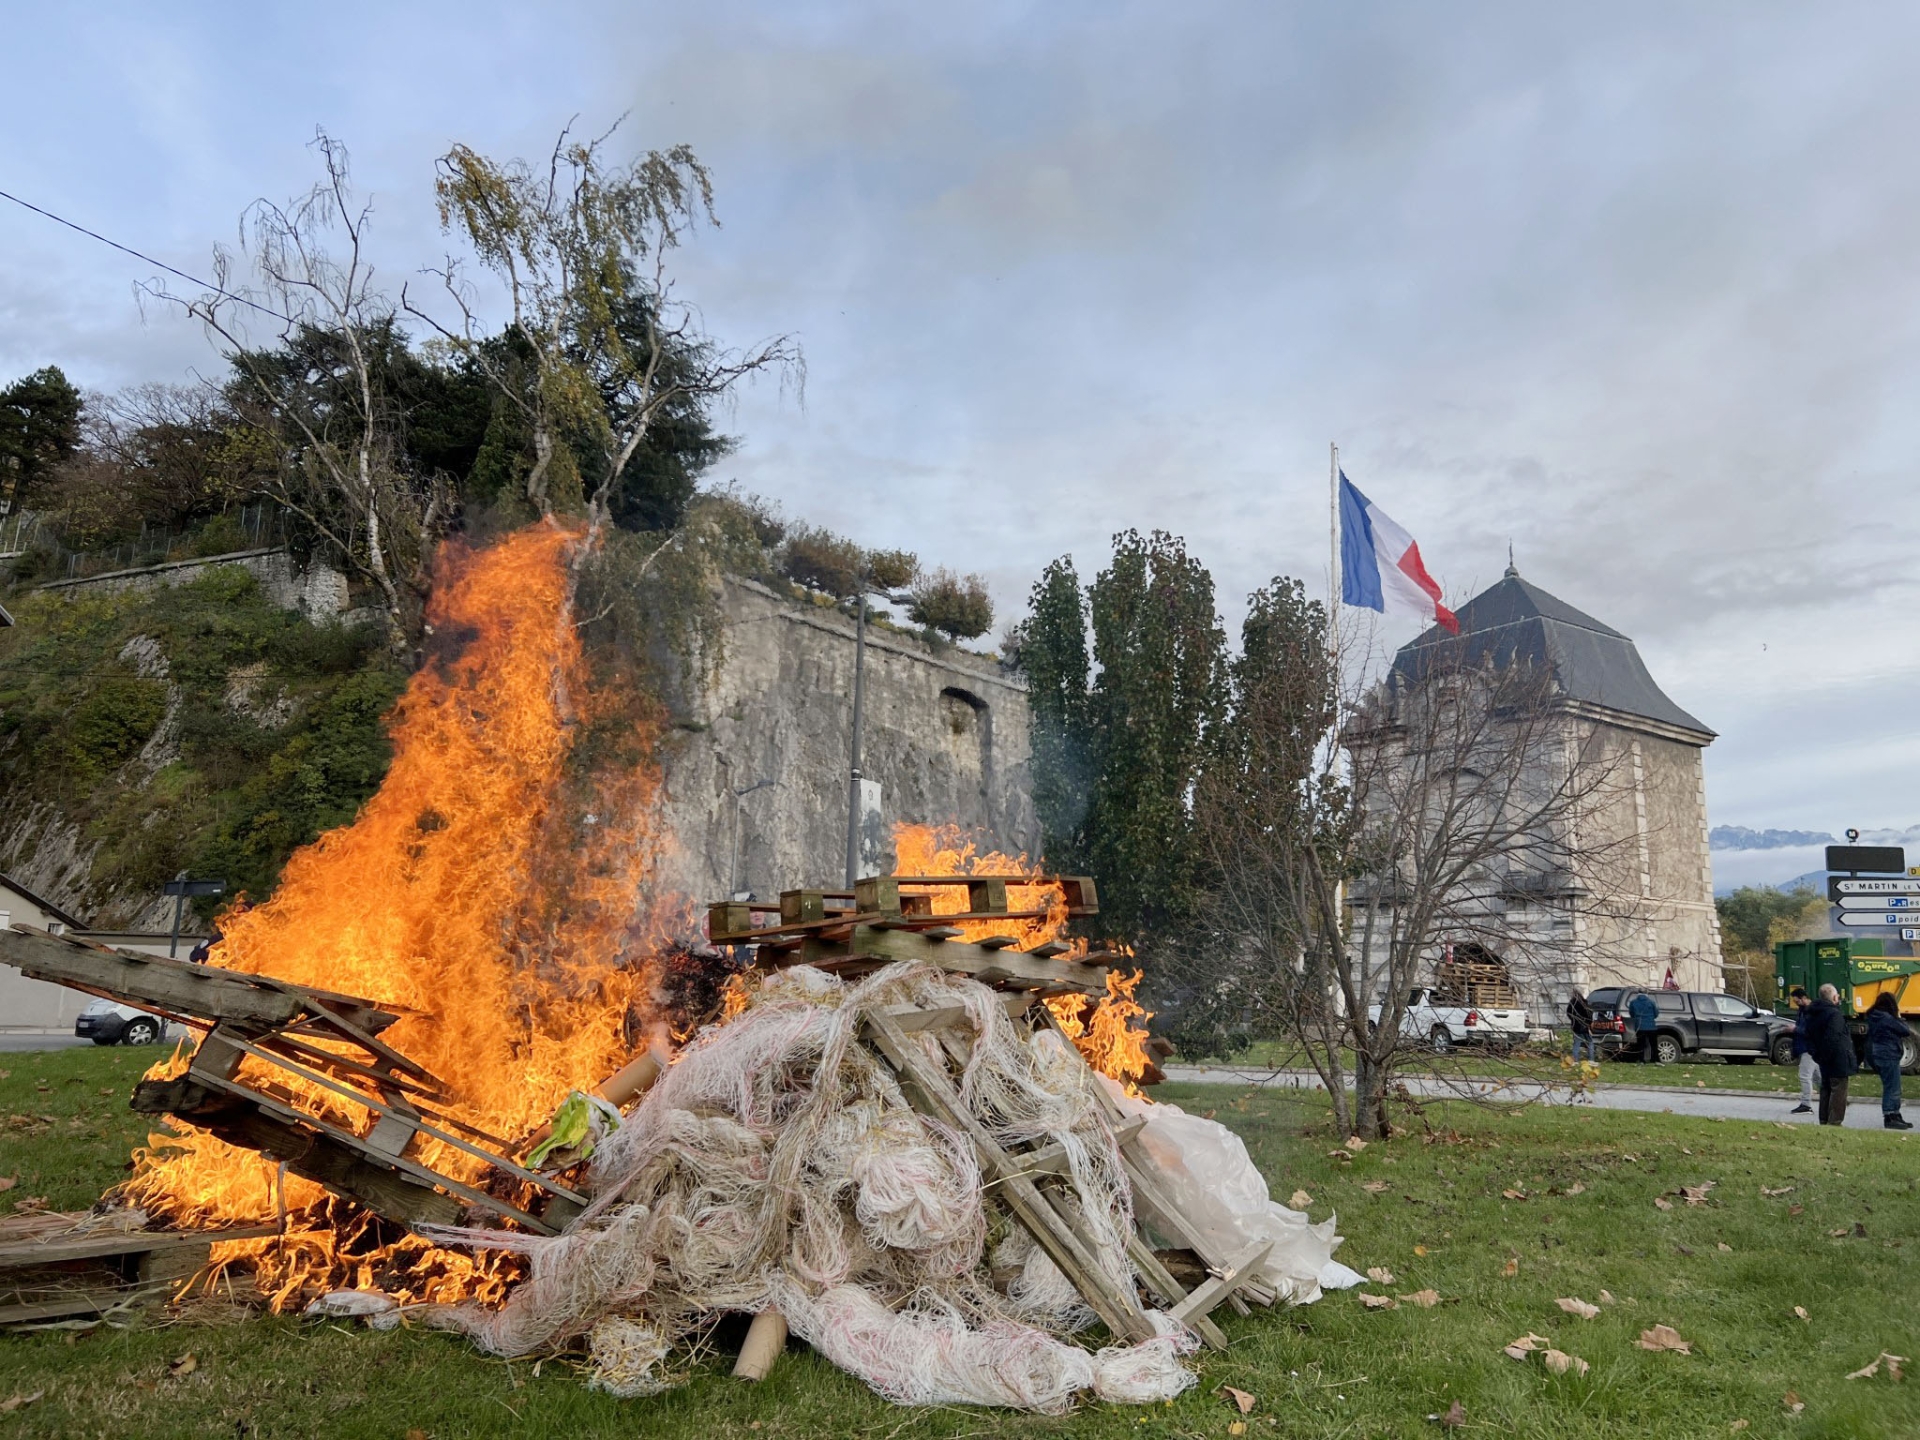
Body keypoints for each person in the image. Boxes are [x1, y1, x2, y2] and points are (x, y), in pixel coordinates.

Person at [1805, 983, 1857, 1127]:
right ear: (1834, 997)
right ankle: (1834, 1121)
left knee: (1826, 1088)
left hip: (1823, 1059)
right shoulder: (1834, 1014)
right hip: (1837, 1058)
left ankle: (1824, 1119)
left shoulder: (1813, 1014)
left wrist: (1818, 1055)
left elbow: (1809, 1036)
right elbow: (1832, 1037)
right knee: (1839, 1090)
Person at [1865, 993, 1914, 1130]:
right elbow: (1905, 1031)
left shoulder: (1874, 1016)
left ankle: (1895, 1114)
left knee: (1892, 1086)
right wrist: (1899, 1017)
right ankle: (1890, 1115)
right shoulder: (1886, 1018)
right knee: (1892, 1087)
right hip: (1888, 1054)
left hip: (1879, 1053)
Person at [1788, 987, 1819, 1116]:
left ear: (1804, 998)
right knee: (1818, 1077)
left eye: (1797, 1001)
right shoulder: (1803, 1011)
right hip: (1807, 1047)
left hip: (1809, 1048)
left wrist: (1795, 1029)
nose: (1796, 1004)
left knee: (1805, 1076)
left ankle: (1806, 1105)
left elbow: (1809, 1031)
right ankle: (1833, 1097)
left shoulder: (1810, 1012)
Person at [1627, 990, 1660, 1064]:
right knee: (1653, 1044)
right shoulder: (1651, 1002)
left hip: (1640, 1026)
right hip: (1651, 1026)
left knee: (1640, 1044)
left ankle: (1641, 1060)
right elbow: (1656, 1013)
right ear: (1646, 994)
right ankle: (1655, 1059)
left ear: (1638, 993)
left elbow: (1631, 1014)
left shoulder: (1633, 1002)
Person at [1566, 988, 1594, 1062]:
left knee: (1577, 1043)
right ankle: (1591, 1059)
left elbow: (1568, 1013)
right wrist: (1589, 1023)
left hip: (1576, 1026)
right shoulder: (1584, 1003)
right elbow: (1589, 1014)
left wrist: (1573, 1020)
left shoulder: (1572, 1004)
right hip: (1585, 1026)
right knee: (1590, 1042)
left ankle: (1575, 1060)